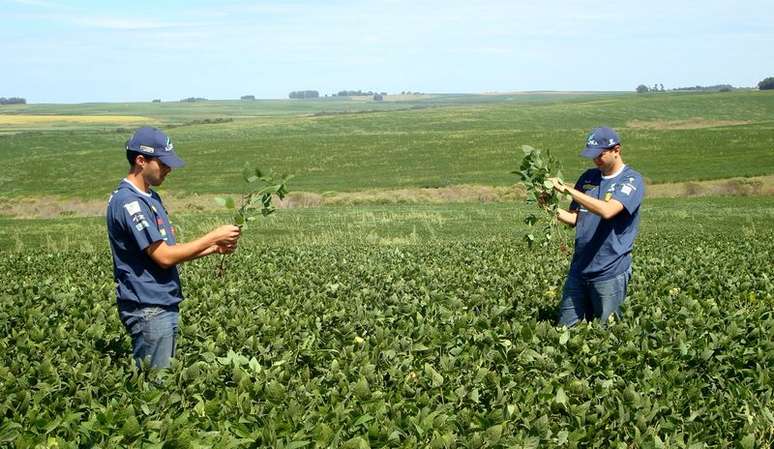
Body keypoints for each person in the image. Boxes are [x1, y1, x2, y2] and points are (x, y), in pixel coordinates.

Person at [106, 126, 241, 368]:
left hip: (161, 303)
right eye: (162, 163)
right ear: (140, 161)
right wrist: (212, 236)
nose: (168, 169)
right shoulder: (129, 203)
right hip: (148, 307)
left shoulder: (150, 198)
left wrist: (213, 249)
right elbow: (165, 257)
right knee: (156, 391)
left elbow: (170, 249)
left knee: (163, 384)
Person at [549, 126, 644, 327]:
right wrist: (549, 208)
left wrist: (566, 189)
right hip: (580, 268)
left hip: (609, 271)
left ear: (616, 150)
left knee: (606, 333)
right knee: (565, 328)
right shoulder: (588, 178)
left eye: (600, 155)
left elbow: (608, 211)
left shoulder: (631, 180)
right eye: (592, 156)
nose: (595, 160)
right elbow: (575, 219)